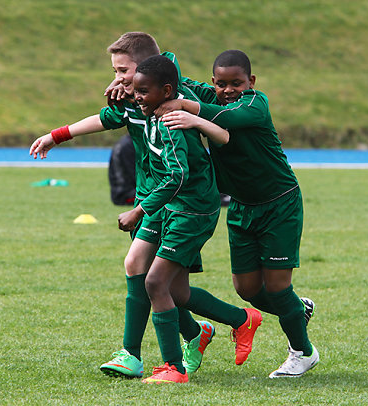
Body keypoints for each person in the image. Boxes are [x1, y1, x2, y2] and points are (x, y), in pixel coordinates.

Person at [30, 32, 219, 379]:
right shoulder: (138, 93)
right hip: (154, 194)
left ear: (147, 72)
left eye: (121, 70)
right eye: (114, 71)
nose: (116, 79)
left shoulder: (169, 97)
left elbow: (208, 139)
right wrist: (57, 135)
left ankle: (174, 357)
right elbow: (106, 118)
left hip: (183, 200)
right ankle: (147, 350)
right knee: (145, 272)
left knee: (162, 283)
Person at [159, 49, 319, 378]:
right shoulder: (209, 95)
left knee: (277, 286)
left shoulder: (256, 104)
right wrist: (131, 75)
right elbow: (171, 71)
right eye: (221, 83)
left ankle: (302, 352)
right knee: (246, 289)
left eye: (237, 83)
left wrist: (189, 112)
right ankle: (296, 309)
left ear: (252, 81)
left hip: (279, 203)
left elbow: (226, 119)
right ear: (213, 81)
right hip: (241, 207)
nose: (229, 89)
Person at [116, 55, 262, 384]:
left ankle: (173, 368)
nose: (136, 95)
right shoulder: (151, 109)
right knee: (177, 292)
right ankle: (241, 319)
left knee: (154, 282)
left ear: (167, 91)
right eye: (133, 88)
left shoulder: (170, 122)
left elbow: (178, 175)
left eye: (142, 90)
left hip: (191, 209)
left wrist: (140, 209)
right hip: (172, 206)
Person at [108, 134, 136, 205]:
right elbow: (134, 174)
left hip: (120, 192)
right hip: (124, 196)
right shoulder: (128, 145)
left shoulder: (125, 141)